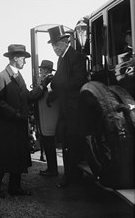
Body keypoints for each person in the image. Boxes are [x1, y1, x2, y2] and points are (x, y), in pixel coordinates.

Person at [0, 44, 53, 198]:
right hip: (5, 128)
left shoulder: (18, 76)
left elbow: (28, 97)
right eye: (23, 58)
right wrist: (15, 114)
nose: (24, 61)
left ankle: (14, 188)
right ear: (15, 58)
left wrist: (43, 86)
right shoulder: (1, 77)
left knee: (17, 157)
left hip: (16, 127)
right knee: (2, 158)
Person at [46, 25, 88, 188]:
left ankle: (72, 176)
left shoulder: (76, 57)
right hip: (66, 107)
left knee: (72, 142)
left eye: (57, 44)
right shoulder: (62, 58)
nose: (55, 48)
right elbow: (60, 81)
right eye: (53, 45)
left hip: (75, 109)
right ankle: (70, 175)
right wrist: (52, 95)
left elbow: (78, 81)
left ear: (65, 41)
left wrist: (55, 87)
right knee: (67, 141)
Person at [37, 60, 58, 177]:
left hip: (48, 116)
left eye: (42, 69)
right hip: (47, 115)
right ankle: (51, 168)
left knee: (49, 145)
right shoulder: (51, 80)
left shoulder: (47, 80)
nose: (40, 71)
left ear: (47, 70)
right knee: (49, 145)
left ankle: (52, 170)